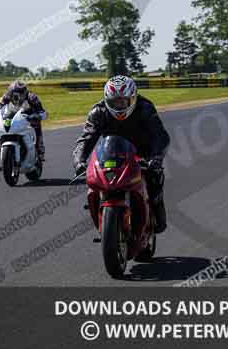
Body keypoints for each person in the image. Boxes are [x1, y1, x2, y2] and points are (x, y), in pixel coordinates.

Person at [72, 75, 170, 259]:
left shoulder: (145, 108)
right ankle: (107, 221)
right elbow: (85, 139)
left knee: (154, 180)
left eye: (124, 101)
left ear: (133, 98)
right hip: (112, 153)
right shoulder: (98, 111)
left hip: (143, 152)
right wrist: (79, 161)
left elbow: (161, 136)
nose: (120, 106)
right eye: (114, 102)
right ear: (107, 100)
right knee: (93, 183)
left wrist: (156, 157)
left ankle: (155, 215)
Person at [0, 80, 47, 160]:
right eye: (14, 93)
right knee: (2, 126)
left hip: (28, 118)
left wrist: (37, 116)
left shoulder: (32, 97)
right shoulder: (5, 97)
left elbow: (43, 112)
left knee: (36, 125)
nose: (17, 96)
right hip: (11, 116)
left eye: (20, 93)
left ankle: (39, 148)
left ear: (25, 92)